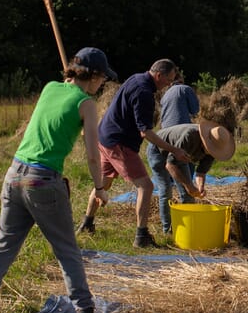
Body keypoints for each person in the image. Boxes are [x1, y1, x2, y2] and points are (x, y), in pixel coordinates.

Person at [0, 47, 116, 313]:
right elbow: (93, 155)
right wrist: (99, 187)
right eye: (102, 79)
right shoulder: (86, 104)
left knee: (5, 243)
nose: (103, 84)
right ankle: (85, 310)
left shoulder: (50, 88)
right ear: (94, 75)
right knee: (66, 248)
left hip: (14, 174)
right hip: (44, 181)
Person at [76, 59, 190, 248]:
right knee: (146, 186)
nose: (168, 85)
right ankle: (141, 236)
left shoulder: (136, 78)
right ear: (158, 75)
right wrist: (174, 149)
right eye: (168, 80)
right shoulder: (144, 93)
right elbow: (145, 132)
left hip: (104, 136)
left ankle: (87, 223)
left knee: (103, 182)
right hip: (118, 142)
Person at [148, 121, 235, 234]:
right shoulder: (190, 136)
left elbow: (201, 172)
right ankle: (168, 231)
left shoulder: (213, 151)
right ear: (206, 141)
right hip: (158, 149)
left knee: (188, 195)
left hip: (181, 156)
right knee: (166, 189)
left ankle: (186, 229)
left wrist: (200, 188)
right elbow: (170, 165)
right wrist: (189, 186)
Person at [155, 71, 200, 206]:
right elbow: (195, 110)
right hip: (182, 134)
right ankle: (187, 195)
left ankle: (170, 212)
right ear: (180, 79)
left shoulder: (165, 94)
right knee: (185, 166)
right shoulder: (185, 89)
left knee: (167, 180)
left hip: (164, 137)